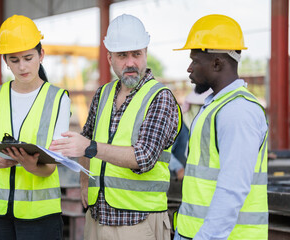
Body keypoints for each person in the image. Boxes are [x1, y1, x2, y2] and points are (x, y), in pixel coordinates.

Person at [49, 14, 180, 240]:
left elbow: (144, 157)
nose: (130, 62)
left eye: (136, 54)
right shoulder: (103, 94)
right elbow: (86, 137)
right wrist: (83, 183)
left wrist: (90, 147)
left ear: (145, 53)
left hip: (138, 222)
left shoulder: (160, 97)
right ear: (109, 58)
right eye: (122, 55)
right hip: (97, 218)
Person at [0, 15, 70, 240]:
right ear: (5, 60)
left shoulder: (58, 99)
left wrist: (29, 164)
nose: (22, 66)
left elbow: (50, 168)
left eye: (28, 57)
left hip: (40, 217)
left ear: (41, 55)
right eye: (14, 60)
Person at [173, 14, 268, 240]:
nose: (189, 68)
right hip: (195, 233)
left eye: (195, 60)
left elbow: (232, 188)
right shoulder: (217, 107)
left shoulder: (237, 111)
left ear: (217, 63)